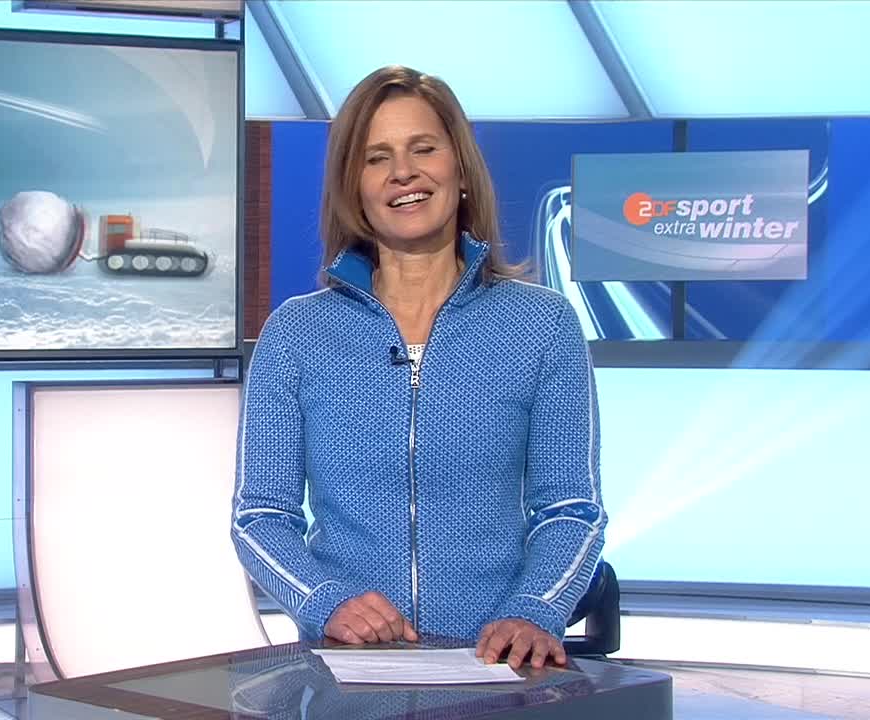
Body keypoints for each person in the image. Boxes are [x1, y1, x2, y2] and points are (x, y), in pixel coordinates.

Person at [231, 65, 606, 671]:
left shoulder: (543, 324)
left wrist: (534, 609)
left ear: (461, 167)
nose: (403, 172)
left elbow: (571, 508)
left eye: (423, 148)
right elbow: (260, 515)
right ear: (353, 187)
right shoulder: (296, 333)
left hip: (495, 665)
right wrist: (324, 600)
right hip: (350, 667)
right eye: (376, 158)